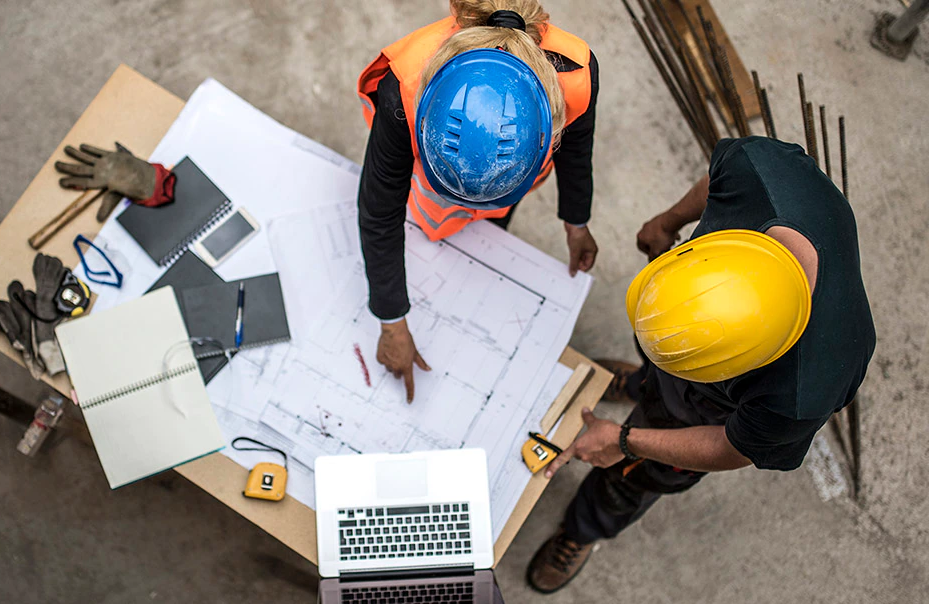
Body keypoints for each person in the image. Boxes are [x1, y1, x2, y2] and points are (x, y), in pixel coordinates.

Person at [525, 136, 876, 593]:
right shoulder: (760, 172)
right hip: (701, 339)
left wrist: (626, 441)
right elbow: (717, 181)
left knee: (632, 477)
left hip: (706, 414)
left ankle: (584, 529)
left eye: (687, 364)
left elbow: (731, 448)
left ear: (740, 367)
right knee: (657, 372)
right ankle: (640, 383)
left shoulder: (805, 388)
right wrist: (668, 221)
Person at [356, 0, 600, 401]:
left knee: (486, 238)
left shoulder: (576, 72)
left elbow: (577, 149)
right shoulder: (404, 89)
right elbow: (380, 210)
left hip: (509, 188)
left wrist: (576, 221)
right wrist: (391, 321)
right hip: (431, 200)